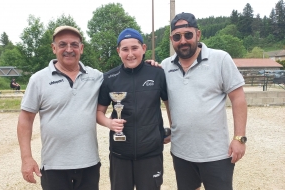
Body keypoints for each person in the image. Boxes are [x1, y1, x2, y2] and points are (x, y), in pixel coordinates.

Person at [160, 13, 247, 190]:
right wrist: (174, 127)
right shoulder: (165, 66)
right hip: (181, 152)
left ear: (198, 34)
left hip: (216, 154)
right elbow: (168, 101)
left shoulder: (220, 59)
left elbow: (238, 98)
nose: (182, 40)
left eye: (188, 35)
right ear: (171, 39)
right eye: (177, 37)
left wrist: (239, 138)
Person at [17, 26, 103, 190]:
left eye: (74, 45)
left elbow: (122, 77)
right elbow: (25, 119)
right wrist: (26, 158)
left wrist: (148, 66)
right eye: (63, 44)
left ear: (81, 48)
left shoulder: (96, 77)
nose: (69, 49)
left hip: (89, 164)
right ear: (54, 48)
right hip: (54, 166)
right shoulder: (38, 79)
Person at [96, 28, 168, 190]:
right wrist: (109, 123)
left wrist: (174, 129)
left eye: (134, 48)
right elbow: (98, 112)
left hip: (151, 154)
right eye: (125, 49)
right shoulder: (109, 78)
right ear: (118, 51)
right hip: (120, 154)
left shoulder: (157, 74)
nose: (130, 54)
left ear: (143, 48)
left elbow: (169, 104)